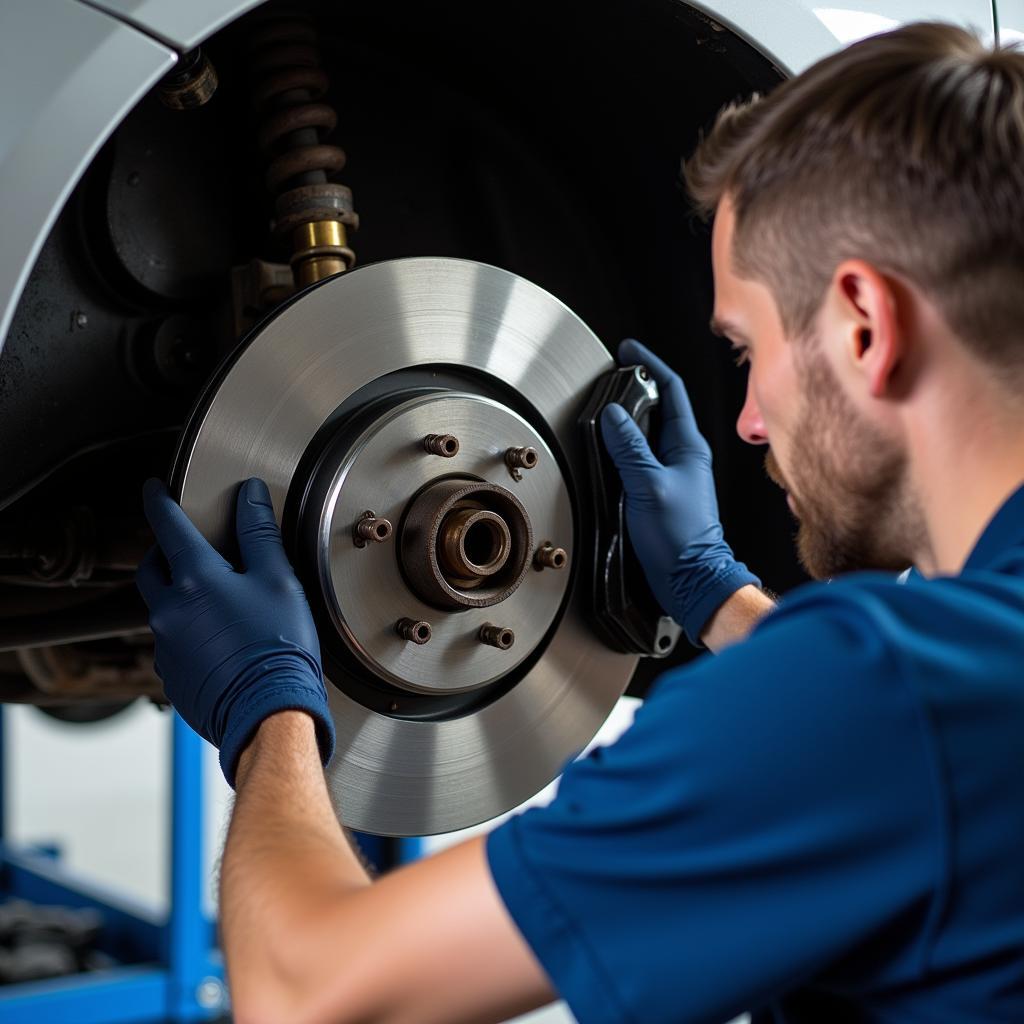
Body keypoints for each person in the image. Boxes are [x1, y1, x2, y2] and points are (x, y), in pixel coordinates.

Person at [136, 22, 1024, 1024]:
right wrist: (712, 587)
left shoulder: (882, 700)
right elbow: (906, 734)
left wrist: (270, 711)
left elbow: (306, 993)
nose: (747, 421)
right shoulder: (941, 687)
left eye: (745, 349)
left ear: (865, 326)